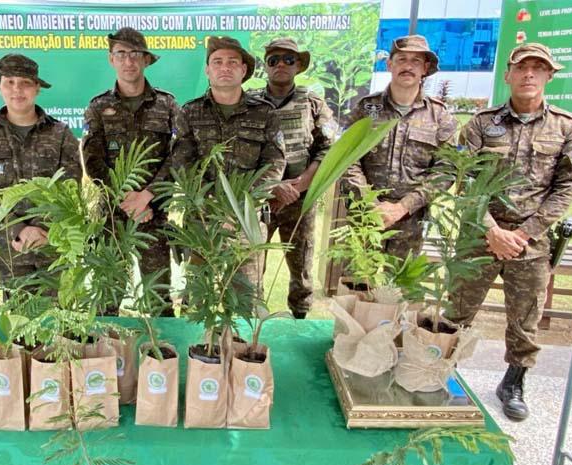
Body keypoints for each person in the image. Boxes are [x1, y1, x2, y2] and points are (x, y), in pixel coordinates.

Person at [446, 43, 572, 421]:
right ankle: (443, 374)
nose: (529, 75)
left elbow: (566, 188)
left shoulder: (567, 128)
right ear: (508, 75)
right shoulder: (480, 124)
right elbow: (465, 178)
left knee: (525, 318)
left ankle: (513, 382)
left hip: (532, 242)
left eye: (538, 68)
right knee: (457, 310)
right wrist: (491, 229)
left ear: (548, 76)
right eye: (522, 68)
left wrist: (523, 233)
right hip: (479, 235)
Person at [82, 27, 190, 315]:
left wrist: (148, 196)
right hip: (111, 217)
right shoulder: (98, 107)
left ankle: (162, 357)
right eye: (121, 54)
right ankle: (107, 357)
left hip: (154, 213)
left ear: (146, 60)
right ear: (111, 60)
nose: (128, 61)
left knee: (159, 298)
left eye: (135, 54)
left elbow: (177, 155)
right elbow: (92, 160)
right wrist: (126, 198)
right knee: (108, 294)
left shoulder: (167, 105)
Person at [0, 54, 82, 288]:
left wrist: (42, 230)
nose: (17, 90)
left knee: (59, 317)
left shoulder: (60, 134)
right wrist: (19, 230)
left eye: (25, 82)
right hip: (9, 247)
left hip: (53, 243)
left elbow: (70, 187)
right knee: (18, 316)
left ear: (37, 88)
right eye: (9, 82)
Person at [182, 36, 286, 293]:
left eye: (232, 62)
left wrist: (240, 207)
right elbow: (183, 163)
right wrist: (215, 207)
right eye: (217, 62)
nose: (224, 67)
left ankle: (239, 336)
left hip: (247, 223)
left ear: (243, 70)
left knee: (245, 300)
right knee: (198, 297)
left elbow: (274, 164)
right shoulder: (190, 112)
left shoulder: (265, 113)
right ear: (207, 70)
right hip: (203, 222)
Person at [344, 35, 457, 261]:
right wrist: (370, 202)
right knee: (357, 288)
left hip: (410, 223)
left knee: (400, 292)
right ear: (389, 65)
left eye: (416, 61)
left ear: (425, 68)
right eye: (401, 59)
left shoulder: (440, 116)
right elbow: (347, 160)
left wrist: (403, 207)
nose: (407, 66)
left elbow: (446, 171)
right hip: (365, 219)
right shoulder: (366, 109)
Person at [248, 38, 337, 319]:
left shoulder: (313, 103)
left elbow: (329, 148)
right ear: (266, 67)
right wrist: (270, 188)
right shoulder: (250, 103)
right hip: (260, 201)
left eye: (288, 59)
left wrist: (300, 186)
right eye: (274, 60)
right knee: (251, 269)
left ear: (298, 65)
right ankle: (252, 323)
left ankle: (299, 321)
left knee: (301, 269)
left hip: (301, 199)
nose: (281, 65)